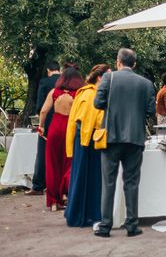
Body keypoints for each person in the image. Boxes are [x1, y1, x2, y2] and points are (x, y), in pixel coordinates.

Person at [93, 48, 155, 238]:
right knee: (131, 182)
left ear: (118, 62)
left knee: (108, 182)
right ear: (134, 64)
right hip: (135, 138)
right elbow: (150, 110)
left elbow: (97, 103)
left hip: (110, 137)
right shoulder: (146, 84)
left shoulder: (108, 79)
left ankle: (105, 226)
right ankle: (131, 225)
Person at [64, 64, 110, 227]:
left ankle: (78, 213)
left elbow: (73, 120)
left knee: (82, 176)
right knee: (90, 178)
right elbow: (96, 119)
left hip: (82, 139)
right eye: (108, 76)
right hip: (90, 140)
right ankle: (87, 214)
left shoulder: (83, 92)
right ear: (100, 78)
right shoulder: (93, 93)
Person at [38, 65, 84, 211]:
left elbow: (44, 110)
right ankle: (65, 195)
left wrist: (41, 127)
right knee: (69, 163)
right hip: (70, 128)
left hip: (54, 128)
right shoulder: (78, 94)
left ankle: (52, 201)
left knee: (52, 164)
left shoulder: (54, 92)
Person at [27, 61, 61, 196]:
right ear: (59, 69)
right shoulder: (67, 81)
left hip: (48, 122)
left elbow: (40, 106)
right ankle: (58, 186)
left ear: (48, 70)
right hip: (64, 121)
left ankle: (39, 186)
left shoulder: (45, 82)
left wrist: (40, 123)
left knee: (42, 154)